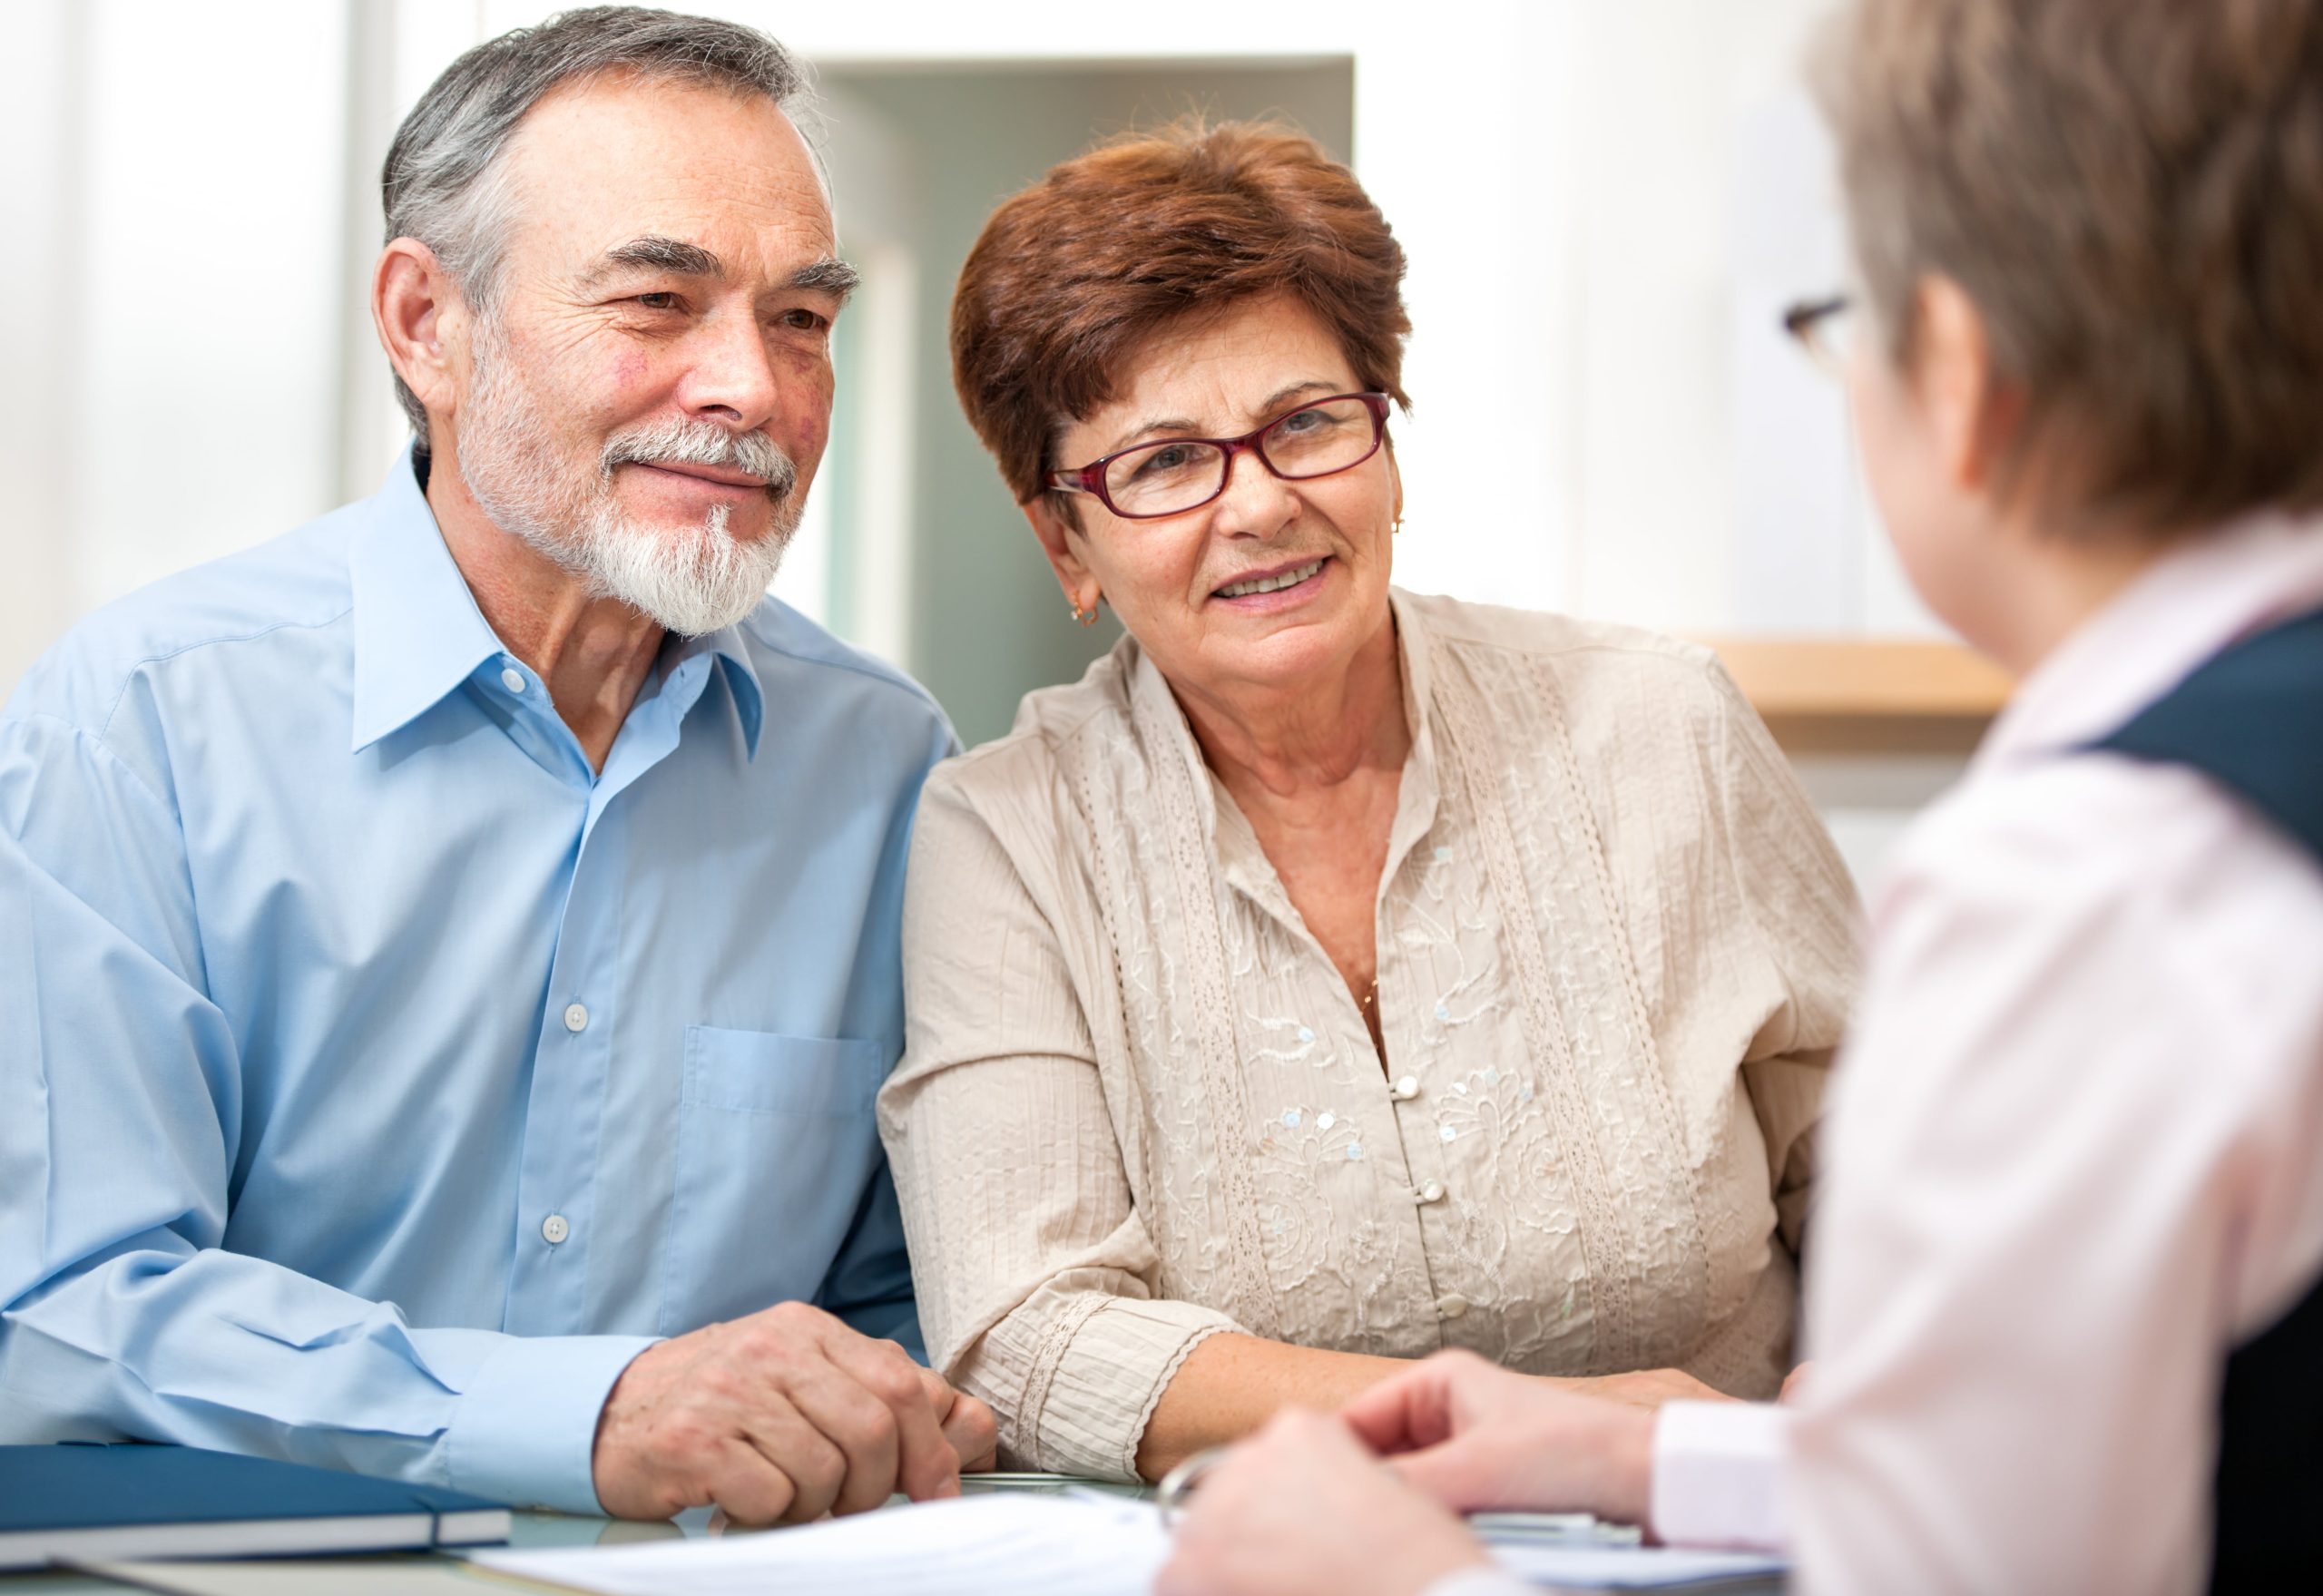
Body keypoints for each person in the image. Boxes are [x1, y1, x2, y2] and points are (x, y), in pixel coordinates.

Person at [1156, 0, 2323, 1591]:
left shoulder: (2091, 886)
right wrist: (1660, 1453)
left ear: (1963, 375)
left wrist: (1401, 1582)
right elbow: (2072, 1469)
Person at [0, 6, 995, 1524]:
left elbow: (897, 1307)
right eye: (660, 300)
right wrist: (585, 1417)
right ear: (425, 324)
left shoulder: (886, 762)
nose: (752, 389)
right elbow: (63, 1307)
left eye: (801, 319)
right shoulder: (142, 724)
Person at [877, 120, 1862, 1484]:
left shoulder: (1661, 726)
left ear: (1387, 448)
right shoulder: (1007, 837)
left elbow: (1884, 1175)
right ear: (1067, 541)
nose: (1260, 505)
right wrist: (1493, 1424)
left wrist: (1880, 1364)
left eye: (1306, 425)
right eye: (1164, 462)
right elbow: (1024, 1335)